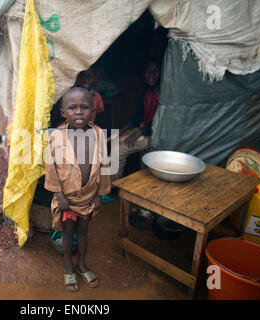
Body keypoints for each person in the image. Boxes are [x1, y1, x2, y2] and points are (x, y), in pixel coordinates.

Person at [44, 87, 111, 292]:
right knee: (68, 233)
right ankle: (68, 267)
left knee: (84, 232)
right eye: (73, 108)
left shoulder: (98, 133)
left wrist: (100, 194)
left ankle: (81, 264)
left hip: (89, 198)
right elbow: (51, 167)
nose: (79, 112)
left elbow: (105, 165)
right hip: (68, 199)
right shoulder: (56, 136)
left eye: (84, 107)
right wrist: (59, 194)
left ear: (92, 110)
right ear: (64, 112)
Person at [112, 61, 161, 182]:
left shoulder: (163, 93)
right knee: (114, 142)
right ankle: (114, 182)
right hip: (142, 129)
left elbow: (160, 122)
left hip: (154, 134)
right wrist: (122, 130)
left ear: (161, 74)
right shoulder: (147, 90)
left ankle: (111, 187)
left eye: (155, 72)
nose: (151, 75)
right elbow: (137, 118)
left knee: (117, 150)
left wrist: (139, 133)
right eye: (148, 71)